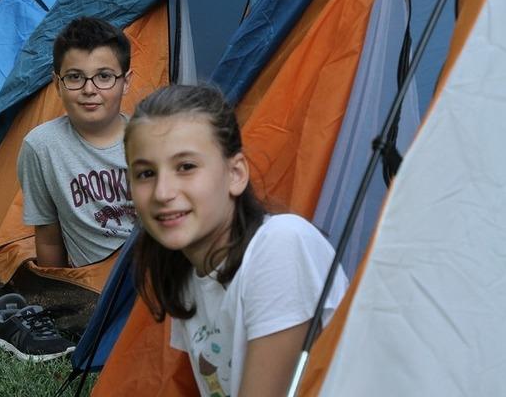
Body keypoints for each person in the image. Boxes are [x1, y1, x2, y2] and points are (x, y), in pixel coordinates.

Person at [123, 85, 349, 397]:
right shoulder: (187, 277)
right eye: (146, 173)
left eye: (186, 167)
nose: (163, 192)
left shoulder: (280, 245)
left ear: (236, 174)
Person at [17, 16, 136, 268]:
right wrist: (55, 295)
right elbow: (48, 237)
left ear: (126, 82)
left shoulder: (152, 140)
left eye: (104, 76)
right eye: (74, 77)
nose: (89, 89)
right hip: (92, 286)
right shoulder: (41, 147)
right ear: (57, 85)